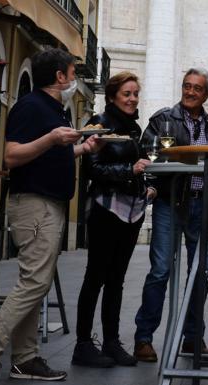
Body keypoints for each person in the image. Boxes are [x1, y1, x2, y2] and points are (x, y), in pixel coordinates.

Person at [0, 48, 103, 384]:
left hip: (49, 203)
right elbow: (12, 156)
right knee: (34, 282)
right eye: (73, 73)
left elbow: (49, 155)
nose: (74, 79)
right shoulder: (31, 106)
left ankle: (25, 358)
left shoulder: (56, 110)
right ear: (60, 76)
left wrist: (80, 149)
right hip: (34, 203)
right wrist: (51, 138)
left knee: (35, 282)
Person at [133, 68, 208, 361]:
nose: (190, 92)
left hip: (204, 205)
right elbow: (147, 156)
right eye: (186, 86)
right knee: (161, 271)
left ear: (206, 94)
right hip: (170, 204)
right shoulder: (163, 120)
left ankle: (192, 337)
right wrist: (151, 187)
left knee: (201, 273)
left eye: (197, 88)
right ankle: (143, 338)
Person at [71, 72, 155, 368]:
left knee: (117, 280)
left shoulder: (134, 129)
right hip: (106, 210)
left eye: (135, 94)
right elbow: (93, 170)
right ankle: (83, 344)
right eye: (127, 94)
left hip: (131, 211)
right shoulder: (98, 124)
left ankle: (111, 342)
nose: (133, 99)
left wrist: (148, 186)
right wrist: (130, 172)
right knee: (96, 276)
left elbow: (142, 164)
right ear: (112, 96)